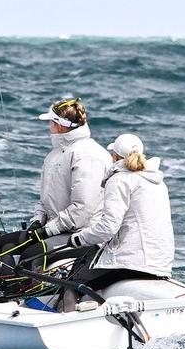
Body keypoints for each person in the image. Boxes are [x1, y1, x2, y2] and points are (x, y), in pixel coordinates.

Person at [0, 97, 111, 295]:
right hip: (54, 229)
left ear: (61, 125)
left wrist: (48, 231)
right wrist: (37, 222)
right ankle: (8, 295)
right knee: (1, 244)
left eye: (51, 121)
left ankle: (23, 301)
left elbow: (82, 209)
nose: (49, 125)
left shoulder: (89, 155)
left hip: (82, 234)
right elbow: (45, 199)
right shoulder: (55, 154)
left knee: (31, 256)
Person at [57, 133, 175, 312]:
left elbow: (108, 228)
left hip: (131, 263)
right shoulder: (158, 182)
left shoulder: (119, 179)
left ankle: (65, 321)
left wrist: (78, 239)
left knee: (72, 283)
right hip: (161, 264)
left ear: (115, 157)